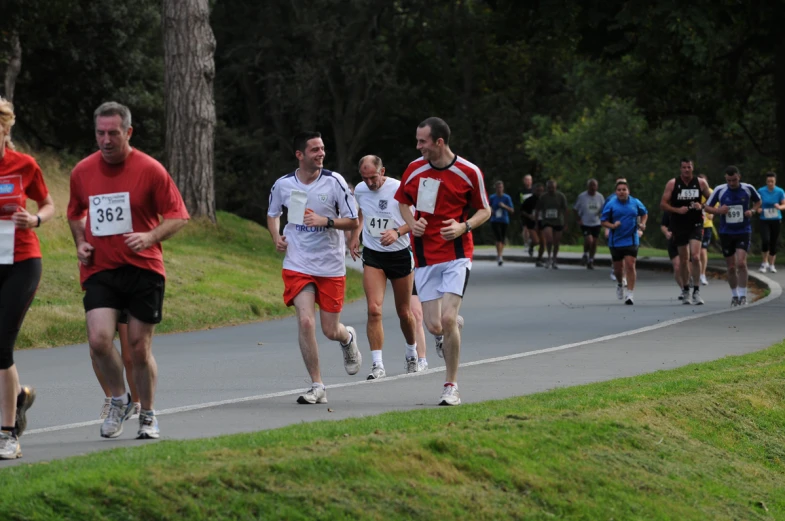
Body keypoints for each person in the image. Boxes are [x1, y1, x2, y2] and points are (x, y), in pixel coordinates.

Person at [67, 101, 190, 440]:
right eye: (100, 133)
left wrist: (150, 236)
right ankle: (119, 399)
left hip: (143, 268)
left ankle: (147, 414)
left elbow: (178, 215)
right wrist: (80, 242)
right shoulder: (82, 171)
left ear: (128, 132)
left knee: (138, 348)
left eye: (113, 133)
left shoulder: (150, 169)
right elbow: (75, 212)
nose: (106, 140)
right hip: (101, 268)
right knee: (98, 340)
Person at [395, 117, 490, 406]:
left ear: (439, 142)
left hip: (457, 255)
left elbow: (484, 210)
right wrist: (413, 222)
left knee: (447, 319)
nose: (417, 146)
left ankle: (451, 386)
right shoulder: (414, 169)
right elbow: (402, 201)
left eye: (422, 141)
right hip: (424, 256)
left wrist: (464, 227)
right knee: (435, 326)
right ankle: (452, 326)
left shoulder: (468, 171)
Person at [267, 131, 361, 405]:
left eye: (322, 149)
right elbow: (273, 213)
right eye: (314, 150)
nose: (321, 154)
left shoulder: (335, 182)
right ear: (300, 155)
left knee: (330, 329)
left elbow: (353, 220)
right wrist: (276, 237)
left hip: (330, 265)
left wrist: (326, 221)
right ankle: (317, 385)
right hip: (298, 262)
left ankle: (347, 337)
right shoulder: (283, 185)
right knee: (306, 321)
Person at [0, 97, 55, 459]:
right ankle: (18, 396)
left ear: (5, 130)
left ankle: (7, 434)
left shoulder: (24, 164)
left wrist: (35, 220)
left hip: (21, 261)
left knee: (1, 343)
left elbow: (48, 204)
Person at [348, 155, 426, 379]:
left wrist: (397, 232)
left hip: (400, 255)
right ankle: (377, 365)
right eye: (365, 178)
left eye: (373, 177)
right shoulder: (361, 190)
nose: (369, 183)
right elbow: (361, 212)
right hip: (374, 255)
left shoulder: (400, 188)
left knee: (404, 312)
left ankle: (412, 354)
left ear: (382, 172)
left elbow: (415, 219)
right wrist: (356, 235)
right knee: (374, 309)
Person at [704, 166, 761, 306]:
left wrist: (752, 211)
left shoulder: (748, 188)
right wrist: (718, 210)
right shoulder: (720, 190)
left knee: (741, 263)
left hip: (743, 230)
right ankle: (735, 295)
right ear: (725, 179)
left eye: (734, 180)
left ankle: (743, 295)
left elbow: (758, 201)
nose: (731, 183)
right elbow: (706, 206)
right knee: (730, 267)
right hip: (726, 232)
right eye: (729, 180)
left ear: (739, 177)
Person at [660, 158, 712, 305]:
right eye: (684, 167)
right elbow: (663, 204)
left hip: (695, 223)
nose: (686, 170)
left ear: (692, 168)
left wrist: (701, 205)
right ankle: (686, 290)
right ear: (680, 168)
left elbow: (712, 200)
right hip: (679, 224)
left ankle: (696, 290)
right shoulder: (673, 183)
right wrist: (677, 210)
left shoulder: (701, 183)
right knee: (684, 259)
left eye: (689, 167)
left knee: (695, 257)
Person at [601, 180, 648, 305]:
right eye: (619, 190)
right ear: (616, 192)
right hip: (615, 240)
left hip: (631, 239)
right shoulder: (611, 204)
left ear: (628, 191)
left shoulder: (635, 202)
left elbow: (644, 213)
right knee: (618, 269)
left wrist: (643, 224)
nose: (621, 192)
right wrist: (612, 225)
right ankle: (620, 283)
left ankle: (630, 294)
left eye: (624, 189)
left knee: (630, 265)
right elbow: (603, 221)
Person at [93, 312, 140, 419]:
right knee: (97, 351)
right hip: (103, 302)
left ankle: (136, 403)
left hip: (125, 303)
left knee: (129, 358)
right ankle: (112, 400)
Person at [535, 179, 568, 269]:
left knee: (556, 242)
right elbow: (538, 210)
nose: (551, 189)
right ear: (547, 188)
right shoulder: (543, 197)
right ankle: (549, 257)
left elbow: (565, 210)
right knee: (549, 240)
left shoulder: (561, 196)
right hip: (547, 221)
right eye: (549, 188)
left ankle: (554, 259)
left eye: (552, 188)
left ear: (555, 187)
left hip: (558, 221)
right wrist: (537, 223)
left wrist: (565, 223)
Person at [756, 171, 785, 273]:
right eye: (768, 181)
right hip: (764, 219)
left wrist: (779, 207)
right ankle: (764, 263)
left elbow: (784, 205)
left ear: (775, 181)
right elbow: (756, 204)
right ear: (766, 181)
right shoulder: (761, 191)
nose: (770, 183)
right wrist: (758, 209)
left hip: (776, 219)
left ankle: (772, 264)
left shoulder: (780, 191)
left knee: (773, 242)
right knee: (765, 240)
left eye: (772, 181)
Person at [573, 178, 605, 269]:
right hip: (585, 222)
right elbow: (575, 209)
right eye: (591, 185)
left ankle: (591, 260)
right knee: (589, 240)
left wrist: (602, 217)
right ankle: (585, 254)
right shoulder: (582, 196)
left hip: (596, 222)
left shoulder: (600, 197)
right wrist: (578, 219)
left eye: (594, 185)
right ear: (588, 186)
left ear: (597, 187)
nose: (593, 187)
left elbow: (604, 209)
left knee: (594, 242)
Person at [660, 211, 685, 299]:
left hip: (686, 240)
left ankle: (689, 283)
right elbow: (663, 225)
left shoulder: (687, 209)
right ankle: (683, 289)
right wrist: (666, 232)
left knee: (686, 265)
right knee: (677, 267)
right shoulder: (669, 210)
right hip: (673, 241)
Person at [489, 180, 514, 266]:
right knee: (498, 238)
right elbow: (488, 207)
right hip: (495, 220)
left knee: (502, 239)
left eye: (501, 187)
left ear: (503, 188)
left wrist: (504, 206)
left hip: (504, 220)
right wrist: (491, 210)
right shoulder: (492, 197)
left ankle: (500, 254)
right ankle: (499, 256)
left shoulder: (507, 198)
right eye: (498, 187)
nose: (499, 189)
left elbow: (512, 210)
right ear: (495, 188)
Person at [697, 174, 714, 286]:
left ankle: (702, 274)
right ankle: (694, 275)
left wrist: (712, 213)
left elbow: (715, 207)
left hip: (706, 225)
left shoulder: (711, 192)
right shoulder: (692, 193)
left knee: (703, 251)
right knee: (693, 253)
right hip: (694, 225)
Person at [521, 183, 542, 258]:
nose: (539, 192)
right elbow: (522, 211)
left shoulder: (544, 200)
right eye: (537, 191)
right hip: (531, 223)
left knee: (542, 242)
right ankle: (532, 245)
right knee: (536, 241)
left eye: (541, 191)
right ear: (534, 191)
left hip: (541, 222)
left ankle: (539, 258)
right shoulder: (529, 200)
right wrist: (529, 216)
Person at [518, 175, 534, 248]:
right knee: (525, 228)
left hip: (533, 212)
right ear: (524, 181)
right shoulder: (521, 191)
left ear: (531, 181)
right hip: (524, 212)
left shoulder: (534, 190)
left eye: (529, 180)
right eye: (526, 180)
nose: (528, 181)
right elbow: (520, 202)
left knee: (533, 228)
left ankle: (532, 240)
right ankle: (526, 243)